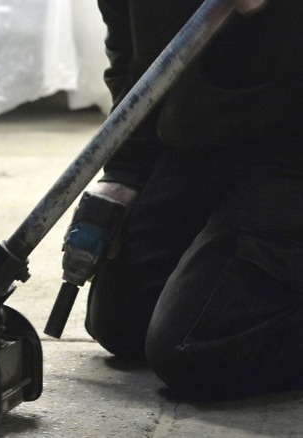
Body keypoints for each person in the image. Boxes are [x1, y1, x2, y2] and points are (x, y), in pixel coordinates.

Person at [80, 0, 303, 399]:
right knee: (120, 324)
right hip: (207, 143)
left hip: (290, 152)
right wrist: (124, 173)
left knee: (194, 351)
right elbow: (133, 61)